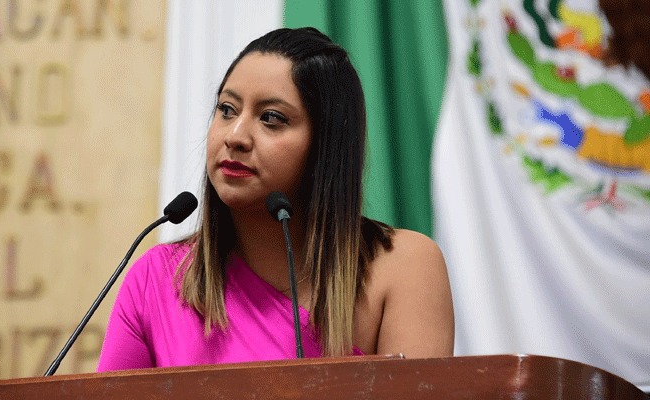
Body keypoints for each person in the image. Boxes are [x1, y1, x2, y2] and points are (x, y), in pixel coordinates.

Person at [97, 27, 453, 371]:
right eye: (227, 109)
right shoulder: (157, 279)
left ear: (324, 147)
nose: (235, 136)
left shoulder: (402, 268)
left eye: (271, 118)